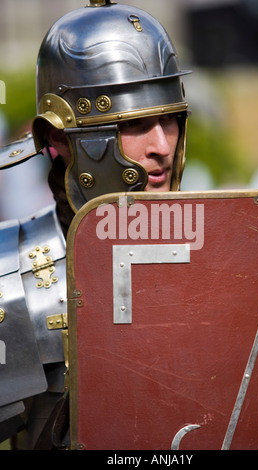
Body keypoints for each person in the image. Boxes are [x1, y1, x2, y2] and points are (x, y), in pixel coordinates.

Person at [0, 0, 189, 449]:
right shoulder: (12, 279)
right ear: (62, 137)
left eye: (170, 120)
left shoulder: (227, 251)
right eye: (137, 123)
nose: (162, 145)